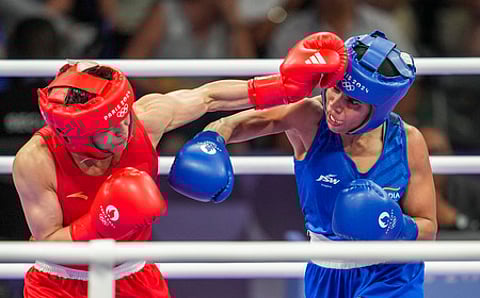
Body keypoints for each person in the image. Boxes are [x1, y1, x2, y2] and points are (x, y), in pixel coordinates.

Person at [12, 31, 347, 298]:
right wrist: (98, 225)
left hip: (132, 272)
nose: (125, 130)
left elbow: (209, 97)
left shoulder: (143, 120)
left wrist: (284, 88)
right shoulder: (35, 161)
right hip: (60, 282)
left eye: (125, 117)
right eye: (111, 130)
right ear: (76, 136)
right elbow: (48, 242)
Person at [169, 30, 438, 297]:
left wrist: (391, 226)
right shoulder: (310, 119)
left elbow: (428, 227)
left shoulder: (408, 141)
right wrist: (213, 137)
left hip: (393, 276)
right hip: (326, 273)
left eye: (352, 101)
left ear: (378, 109)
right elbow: (244, 121)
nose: (335, 105)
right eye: (335, 89)